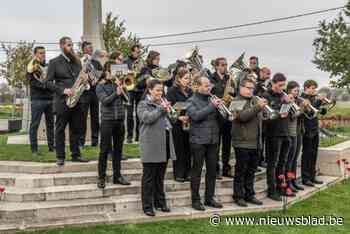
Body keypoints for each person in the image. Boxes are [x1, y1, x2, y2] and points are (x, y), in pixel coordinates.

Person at [46, 36, 89, 166]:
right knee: (60, 129)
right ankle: (60, 156)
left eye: (72, 45)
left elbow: (81, 79)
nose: (71, 47)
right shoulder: (54, 62)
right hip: (62, 101)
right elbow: (47, 83)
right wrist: (63, 90)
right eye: (69, 45)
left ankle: (75, 155)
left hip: (77, 100)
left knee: (76, 129)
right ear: (61, 46)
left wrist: (85, 78)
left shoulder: (77, 62)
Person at [137, 79, 176, 217]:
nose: (161, 93)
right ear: (150, 90)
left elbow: (172, 120)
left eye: (162, 90)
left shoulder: (162, 104)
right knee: (149, 177)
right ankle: (147, 206)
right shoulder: (143, 104)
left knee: (160, 176)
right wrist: (161, 109)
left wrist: (171, 112)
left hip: (164, 142)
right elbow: (147, 118)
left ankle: (160, 202)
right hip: (150, 144)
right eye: (158, 90)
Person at [187, 76, 223, 211]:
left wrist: (221, 109)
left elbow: (220, 119)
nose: (209, 88)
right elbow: (195, 116)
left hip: (213, 139)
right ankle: (195, 200)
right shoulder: (191, 100)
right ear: (197, 86)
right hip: (198, 141)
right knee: (196, 171)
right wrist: (211, 106)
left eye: (210, 85)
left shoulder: (211, 99)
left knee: (212, 171)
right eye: (206, 86)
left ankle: (209, 198)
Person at [230, 76, 266, 207]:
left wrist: (265, 111)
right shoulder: (236, 101)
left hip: (256, 142)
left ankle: (249, 194)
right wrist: (258, 107)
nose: (251, 90)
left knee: (251, 171)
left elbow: (260, 118)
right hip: (242, 142)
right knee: (241, 171)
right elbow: (242, 117)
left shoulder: (255, 100)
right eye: (248, 88)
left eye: (252, 88)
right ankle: (238, 196)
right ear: (241, 88)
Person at [95, 60, 131, 189]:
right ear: (106, 72)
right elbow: (105, 101)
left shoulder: (119, 84)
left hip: (120, 120)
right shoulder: (100, 86)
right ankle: (101, 177)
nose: (113, 73)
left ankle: (117, 176)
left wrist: (123, 89)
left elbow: (128, 100)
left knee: (118, 150)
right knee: (104, 150)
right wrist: (116, 93)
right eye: (111, 71)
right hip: (107, 121)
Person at [262, 73, 291, 201]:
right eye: (280, 85)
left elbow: (288, 114)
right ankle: (271, 190)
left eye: (284, 85)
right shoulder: (266, 96)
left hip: (285, 132)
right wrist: (281, 105)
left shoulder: (283, 95)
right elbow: (267, 117)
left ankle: (281, 187)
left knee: (282, 162)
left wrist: (290, 104)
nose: (282, 88)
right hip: (272, 134)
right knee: (272, 164)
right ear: (273, 83)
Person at [166, 67, 193, 182]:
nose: (188, 80)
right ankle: (179, 174)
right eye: (186, 78)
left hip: (188, 122)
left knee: (188, 149)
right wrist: (179, 117)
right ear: (179, 79)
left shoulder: (191, 91)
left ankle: (188, 173)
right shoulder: (172, 90)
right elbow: (168, 108)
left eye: (189, 78)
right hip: (177, 123)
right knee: (179, 149)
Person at [27, 46, 54, 155]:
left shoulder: (48, 66)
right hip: (37, 99)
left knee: (51, 125)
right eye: (40, 53)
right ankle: (34, 150)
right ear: (35, 54)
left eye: (44, 53)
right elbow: (32, 82)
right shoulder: (31, 67)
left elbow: (52, 80)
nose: (43, 55)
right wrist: (45, 86)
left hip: (50, 99)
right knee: (35, 125)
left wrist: (49, 85)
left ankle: (52, 148)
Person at [209, 57, 233, 178]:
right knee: (216, 144)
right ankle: (216, 169)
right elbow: (209, 94)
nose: (225, 67)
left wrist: (231, 98)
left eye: (226, 64)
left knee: (227, 144)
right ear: (216, 66)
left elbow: (233, 92)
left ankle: (226, 168)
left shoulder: (230, 78)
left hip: (228, 115)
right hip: (216, 115)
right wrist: (220, 100)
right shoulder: (211, 78)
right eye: (222, 65)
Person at [300, 80, 327, 187]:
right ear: (306, 88)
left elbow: (318, 111)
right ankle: (305, 178)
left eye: (315, 88)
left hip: (315, 128)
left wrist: (323, 108)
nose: (314, 90)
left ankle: (312, 176)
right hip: (307, 129)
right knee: (306, 154)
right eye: (312, 88)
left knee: (314, 153)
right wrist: (319, 102)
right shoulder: (303, 98)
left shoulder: (313, 98)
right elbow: (310, 111)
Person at [79, 43, 106, 147]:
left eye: (91, 48)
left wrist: (97, 79)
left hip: (95, 92)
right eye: (89, 48)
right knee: (82, 117)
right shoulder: (80, 61)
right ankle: (81, 141)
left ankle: (95, 141)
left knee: (95, 117)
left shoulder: (96, 62)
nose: (91, 50)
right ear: (83, 50)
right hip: (83, 92)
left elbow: (102, 75)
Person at [134, 50, 161, 142]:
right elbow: (138, 83)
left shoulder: (159, 69)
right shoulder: (145, 69)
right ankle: (139, 136)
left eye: (159, 59)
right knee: (145, 117)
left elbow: (168, 82)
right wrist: (145, 81)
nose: (158, 61)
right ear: (151, 59)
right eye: (156, 59)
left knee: (157, 116)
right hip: (146, 96)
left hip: (158, 96)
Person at [285, 81, 305, 192]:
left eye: (298, 90)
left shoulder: (298, 100)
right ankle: (288, 182)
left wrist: (305, 108)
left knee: (294, 159)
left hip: (298, 131)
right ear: (289, 91)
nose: (297, 93)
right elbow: (292, 116)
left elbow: (303, 116)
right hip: (290, 132)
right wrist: (301, 108)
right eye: (295, 91)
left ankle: (293, 181)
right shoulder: (290, 101)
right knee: (289, 159)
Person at [125, 44, 142, 143]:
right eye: (136, 51)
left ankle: (138, 136)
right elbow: (123, 73)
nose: (138, 53)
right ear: (132, 52)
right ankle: (129, 136)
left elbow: (143, 73)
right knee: (130, 114)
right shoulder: (126, 61)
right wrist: (131, 72)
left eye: (139, 52)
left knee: (139, 114)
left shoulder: (141, 62)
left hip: (139, 89)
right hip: (129, 90)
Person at [254, 66, 271, 169]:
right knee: (258, 139)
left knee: (263, 138)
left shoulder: (268, 84)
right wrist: (258, 87)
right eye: (267, 73)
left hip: (265, 113)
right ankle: (257, 161)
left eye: (269, 74)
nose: (268, 76)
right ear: (261, 73)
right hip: (257, 112)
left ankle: (261, 159)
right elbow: (254, 95)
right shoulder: (256, 82)